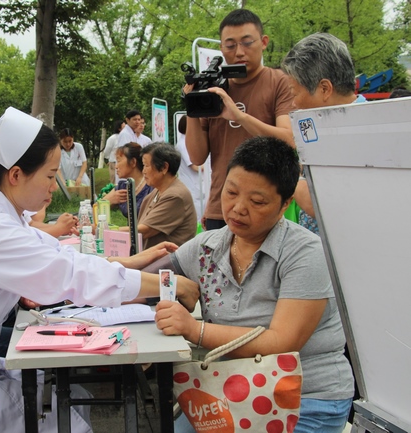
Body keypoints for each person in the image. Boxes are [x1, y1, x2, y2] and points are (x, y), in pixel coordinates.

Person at [0, 107, 199, 433]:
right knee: (63, 415)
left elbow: (58, 255)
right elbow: (72, 274)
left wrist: (136, 263)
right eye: (50, 175)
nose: (55, 187)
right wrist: (170, 283)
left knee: (65, 400)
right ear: (15, 174)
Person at [156, 136, 354, 433]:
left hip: (304, 398)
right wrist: (118, 269)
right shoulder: (209, 245)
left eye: (257, 201)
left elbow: (281, 343)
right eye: (231, 192)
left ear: (285, 203)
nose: (237, 208)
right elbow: (154, 278)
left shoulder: (305, 253)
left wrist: (194, 329)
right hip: (227, 388)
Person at [184, 9, 295, 230]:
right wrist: (192, 106)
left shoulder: (279, 81)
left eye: (247, 43)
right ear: (221, 48)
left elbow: (289, 140)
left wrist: (239, 116)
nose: (239, 52)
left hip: (263, 208)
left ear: (263, 42)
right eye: (230, 45)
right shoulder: (212, 87)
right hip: (221, 207)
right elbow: (196, 157)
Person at [281, 32, 367, 234]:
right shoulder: (330, 129)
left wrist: (289, 178)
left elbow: (321, 205)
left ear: (325, 89)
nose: (294, 103)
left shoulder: (363, 135)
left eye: (295, 93)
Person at [129, 142, 197, 250]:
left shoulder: (175, 196)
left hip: (167, 263)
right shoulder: (158, 190)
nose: (144, 171)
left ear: (164, 167)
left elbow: (144, 231)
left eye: (146, 165)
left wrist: (107, 231)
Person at [102, 142, 153, 219]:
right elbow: (95, 209)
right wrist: (108, 200)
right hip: (128, 230)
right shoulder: (123, 186)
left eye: (119, 161)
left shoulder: (151, 187)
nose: (116, 166)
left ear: (133, 162)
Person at [175, 115, 209, 222]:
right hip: (192, 187)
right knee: (197, 218)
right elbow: (195, 166)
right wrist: (209, 166)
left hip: (197, 186)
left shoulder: (187, 141)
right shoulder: (183, 143)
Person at [102, 119, 125, 184]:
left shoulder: (125, 137)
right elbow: (107, 151)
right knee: (114, 180)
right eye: (124, 127)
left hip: (124, 162)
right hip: (114, 162)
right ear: (119, 128)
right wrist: (110, 159)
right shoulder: (112, 138)